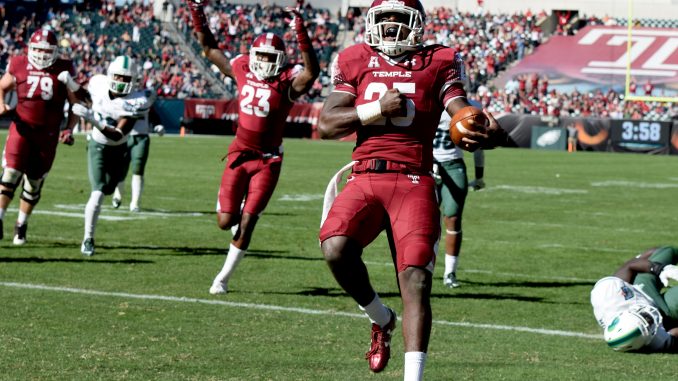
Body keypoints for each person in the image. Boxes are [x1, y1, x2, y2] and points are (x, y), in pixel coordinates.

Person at [317, 0, 509, 378]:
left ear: (417, 24)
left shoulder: (439, 59)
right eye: (384, 18)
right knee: (335, 248)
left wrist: (480, 128)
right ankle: (379, 317)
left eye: (399, 18)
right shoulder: (355, 57)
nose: (390, 25)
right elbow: (327, 124)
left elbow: (458, 107)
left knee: (416, 278)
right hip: (366, 174)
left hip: (415, 178)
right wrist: (375, 110)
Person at [187, 0, 319, 294]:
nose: (265, 62)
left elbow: (312, 72)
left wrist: (301, 31)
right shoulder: (242, 67)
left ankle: (221, 278)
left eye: (272, 57)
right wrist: (197, 13)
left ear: (282, 59)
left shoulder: (287, 79)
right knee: (225, 222)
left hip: (269, 160)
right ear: (253, 54)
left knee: (248, 222)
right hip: (239, 153)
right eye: (261, 55)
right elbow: (209, 49)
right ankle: (231, 217)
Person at [0, 28, 86, 245]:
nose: (42, 54)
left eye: (47, 50)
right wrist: (1, 103)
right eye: (38, 49)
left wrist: (69, 129)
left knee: (33, 183)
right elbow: (1, 86)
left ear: (55, 51)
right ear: (30, 48)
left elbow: (76, 104)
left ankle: (21, 224)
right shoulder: (18, 63)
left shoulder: (64, 68)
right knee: (10, 175)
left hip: (47, 135)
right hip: (21, 129)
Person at [72, 55, 155, 256]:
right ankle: (88, 238)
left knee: (110, 188)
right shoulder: (98, 85)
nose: (121, 82)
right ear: (109, 75)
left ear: (134, 81)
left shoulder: (137, 101)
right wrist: (69, 81)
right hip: (97, 147)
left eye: (126, 79)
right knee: (98, 191)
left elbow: (119, 133)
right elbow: (84, 95)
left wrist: (92, 119)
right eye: (118, 77)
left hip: (119, 148)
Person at [590, 246, 678, 352]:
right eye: (649, 323)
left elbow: (629, 266)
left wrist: (659, 269)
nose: (650, 316)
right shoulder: (654, 340)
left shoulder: (608, 294)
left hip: (640, 292)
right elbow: (672, 335)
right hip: (663, 310)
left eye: (644, 317)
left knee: (666, 251)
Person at [432, 111, 468, 288]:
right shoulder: (426, 100)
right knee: (424, 221)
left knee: (452, 218)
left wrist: (480, 173)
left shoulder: (468, 107)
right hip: (427, 164)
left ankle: (450, 272)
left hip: (453, 165)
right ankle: (423, 268)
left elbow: (478, 145)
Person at [111, 119, 165, 212]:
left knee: (138, 168)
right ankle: (118, 194)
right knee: (120, 168)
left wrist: (157, 123)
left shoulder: (145, 103)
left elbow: (151, 111)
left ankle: (135, 203)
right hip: (123, 136)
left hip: (141, 136)